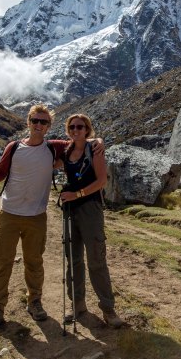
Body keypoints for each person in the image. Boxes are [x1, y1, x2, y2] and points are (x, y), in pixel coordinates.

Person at [0, 104, 102, 338]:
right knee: (1, 262)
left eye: (43, 122)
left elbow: (81, 140)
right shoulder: (14, 147)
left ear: (49, 126)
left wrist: (99, 141)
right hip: (9, 214)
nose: (38, 125)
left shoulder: (54, 148)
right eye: (35, 120)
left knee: (34, 262)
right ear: (28, 122)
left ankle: (34, 302)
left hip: (36, 216)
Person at [59, 114, 124, 328]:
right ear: (68, 129)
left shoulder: (94, 149)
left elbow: (102, 181)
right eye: (72, 126)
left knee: (96, 259)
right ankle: (77, 305)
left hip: (90, 208)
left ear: (87, 129)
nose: (76, 130)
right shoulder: (66, 150)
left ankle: (108, 308)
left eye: (80, 126)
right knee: (73, 259)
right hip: (70, 210)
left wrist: (76, 194)